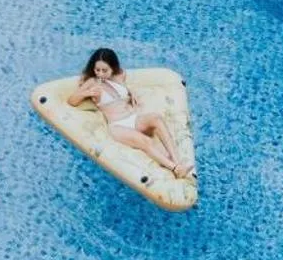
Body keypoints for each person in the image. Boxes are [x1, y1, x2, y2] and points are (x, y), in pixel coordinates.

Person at [70, 48, 192, 179]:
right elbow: (72, 100)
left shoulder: (118, 76)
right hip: (117, 126)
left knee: (156, 118)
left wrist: (130, 92)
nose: (100, 74)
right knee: (144, 141)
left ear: (113, 68)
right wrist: (87, 93)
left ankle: (178, 161)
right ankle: (175, 168)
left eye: (104, 70)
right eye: (97, 70)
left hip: (133, 118)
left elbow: (123, 88)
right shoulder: (92, 82)